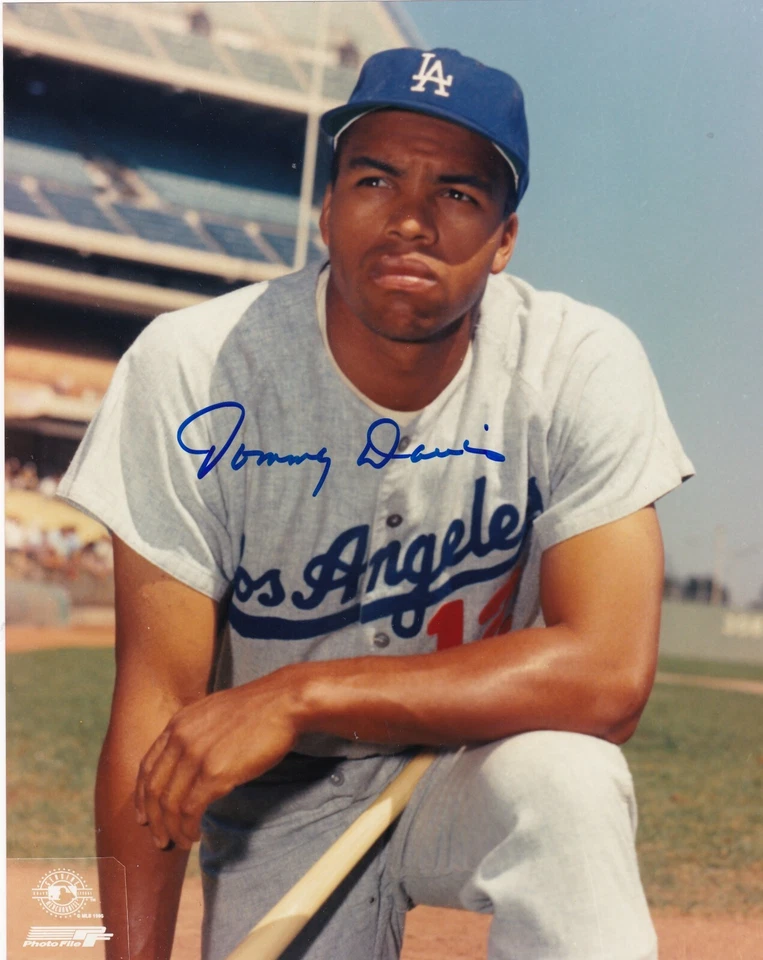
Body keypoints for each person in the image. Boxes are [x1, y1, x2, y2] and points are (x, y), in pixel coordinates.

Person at [58, 47, 694, 960]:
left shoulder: (576, 362)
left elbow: (607, 674)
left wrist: (302, 692)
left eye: (457, 194)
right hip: (281, 797)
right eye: (375, 179)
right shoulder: (195, 366)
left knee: (570, 781)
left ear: (505, 239)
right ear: (326, 208)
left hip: (471, 762)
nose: (409, 220)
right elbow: (155, 712)